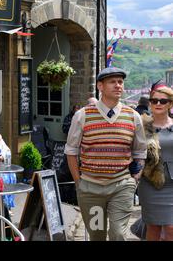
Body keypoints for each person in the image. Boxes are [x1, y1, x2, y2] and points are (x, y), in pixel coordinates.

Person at [65, 67, 147, 241]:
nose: (118, 85)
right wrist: (79, 183)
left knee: (118, 234)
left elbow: (140, 150)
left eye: (120, 82)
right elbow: (71, 151)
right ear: (100, 86)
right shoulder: (83, 116)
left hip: (122, 186)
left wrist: (135, 179)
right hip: (90, 189)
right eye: (113, 82)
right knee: (97, 235)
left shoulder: (133, 116)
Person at [138, 81, 173, 241]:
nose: (158, 104)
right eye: (154, 101)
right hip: (150, 183)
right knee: (153, 229)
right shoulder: (141, 125)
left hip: (172, 185)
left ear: (170, 104)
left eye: (163, 101)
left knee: (171, 229)